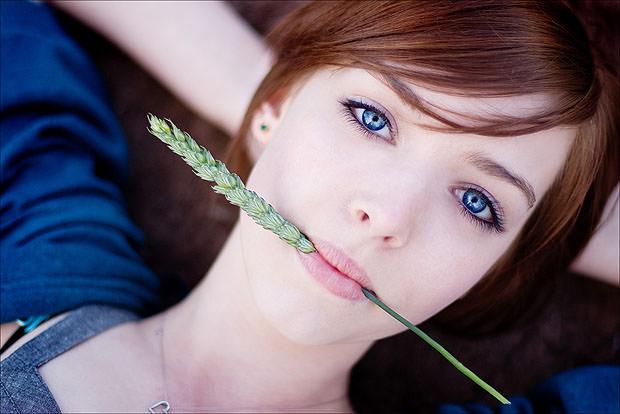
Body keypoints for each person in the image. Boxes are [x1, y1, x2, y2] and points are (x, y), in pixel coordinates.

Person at [1, 1, 618, 413]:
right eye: (371, 117)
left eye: (479, 203)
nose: (389, 213)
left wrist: (557, 234)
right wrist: (262, 103)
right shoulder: (44, 252)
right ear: (277, 104)